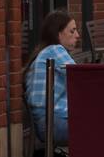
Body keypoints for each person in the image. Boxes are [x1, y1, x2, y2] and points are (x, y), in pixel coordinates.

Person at [24, 10, 80, 146]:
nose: (77, 35)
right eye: (72, 31)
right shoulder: (55, 50)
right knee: (100, 127)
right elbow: (80, 77)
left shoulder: (44, 52)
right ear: (58, 34)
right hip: (51, 123)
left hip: (47, 121)